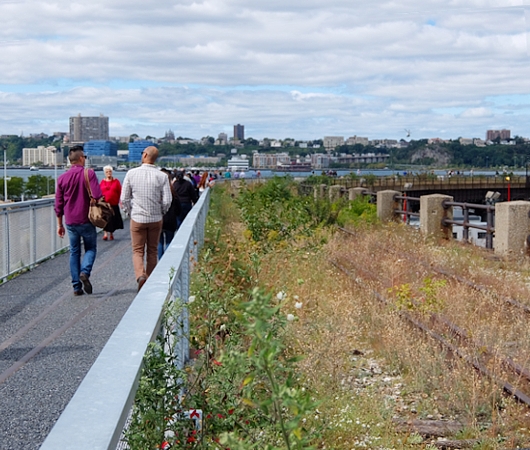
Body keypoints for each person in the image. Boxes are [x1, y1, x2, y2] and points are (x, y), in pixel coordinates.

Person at [120, 146, 172, 291]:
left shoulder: (131, 173)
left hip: (137, 218)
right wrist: (160, 211)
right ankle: (149, 280)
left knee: (137, 250)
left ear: (145, 155)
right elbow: (167, 200)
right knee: (153, 250)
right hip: (155, 218)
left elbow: (124, 199)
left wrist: (130, 212)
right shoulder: (162, 176)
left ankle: (140, 276)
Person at [55, 145, 102, 296]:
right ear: (81, 158)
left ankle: (76, 287)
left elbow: (58, 204)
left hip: (70, 221)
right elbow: (96, 195)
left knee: (74, 252)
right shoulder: (89, 173)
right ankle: (85, 272)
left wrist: (59, 224)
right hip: (86, 219)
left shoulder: (62, 178)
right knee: (90, 249)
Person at [158, 169, 180, 259]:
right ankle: (167, 261)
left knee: (159, 243)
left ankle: (160, 261)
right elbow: (178, 209)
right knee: (169, 242)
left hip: (158, 220)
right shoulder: (173, 192)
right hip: (170, 220)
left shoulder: (156, 192)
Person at [99, 165, 124, 241]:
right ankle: (105, 234)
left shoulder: (116, 181)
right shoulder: (102, 182)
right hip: (104, 204)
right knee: (105, 219)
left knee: (112, 219)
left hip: (113, 204)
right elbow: (99, 192)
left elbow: (120, 192)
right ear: (104, 173)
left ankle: (111, 233)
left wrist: (121, 202)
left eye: (110, 171)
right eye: (107, 172)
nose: (108, 173)